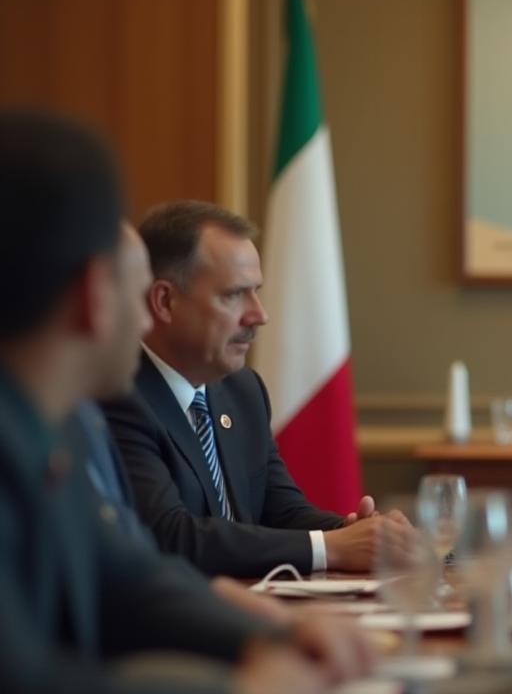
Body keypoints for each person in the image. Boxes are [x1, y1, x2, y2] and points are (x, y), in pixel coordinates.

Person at [0, 109, 369, 693]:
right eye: (135, 295)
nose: (146, 321)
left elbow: (123, 577)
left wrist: (274, 635)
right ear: (93, 296)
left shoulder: (58, 426)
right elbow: (25, 677)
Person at [102, 200, 398, 577]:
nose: (259, 314)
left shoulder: (242, 391)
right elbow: (170, 536)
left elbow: (282, 511)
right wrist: (332, 548)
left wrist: (358, 532)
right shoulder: (118, 396)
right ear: (165, 301)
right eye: (233, 294)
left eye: (256, 291)